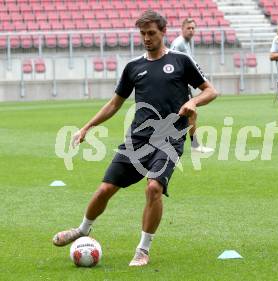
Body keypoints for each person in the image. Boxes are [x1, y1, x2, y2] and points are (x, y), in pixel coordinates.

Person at [52, 10, 218, 267]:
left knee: (154, 188)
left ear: (163, 32)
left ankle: (143, 249)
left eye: (151, 33)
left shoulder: (182, 60)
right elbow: (114, 104)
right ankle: (83, 229)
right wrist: (86, 127)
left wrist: (193, 101)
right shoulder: (133, 67)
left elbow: (211, 91)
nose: (146, 38)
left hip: (170, 139)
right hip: (137, 141)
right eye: (143, 34)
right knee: (106, 188)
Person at [170, 18, 214, 153]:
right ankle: (194, 146)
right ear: (182, 28)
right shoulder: (179, 44)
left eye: (193, 28)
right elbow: (174, 61)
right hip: (179, 84)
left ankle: (193, 144)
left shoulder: (185, 43)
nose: (191, 30)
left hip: (182, 84)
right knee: (189, 112)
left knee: (190, 113)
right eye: (188, 28)